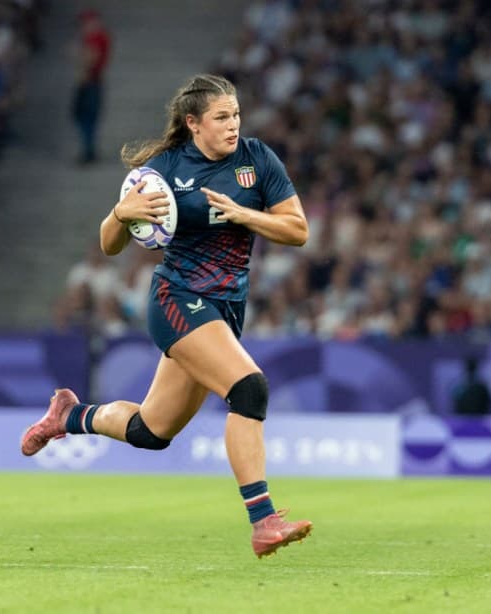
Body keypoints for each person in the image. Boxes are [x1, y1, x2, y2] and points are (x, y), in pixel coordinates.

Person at [22, 74, 312, 558]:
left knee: (151, 431)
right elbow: (108, 244)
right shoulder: (164, 171)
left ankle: (70, 416)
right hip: (177, 300)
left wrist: (246, 216)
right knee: (248, 388)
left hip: (224, 308)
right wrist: (120, 213)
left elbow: (297, 229)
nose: (233, 124)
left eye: (236, 114)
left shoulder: (258, 159)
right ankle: (264, 522)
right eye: (222, 117)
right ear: (193, 123)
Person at [70, 9, 111, 164]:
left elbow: (91, 59)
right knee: (86, 118)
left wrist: (78, 54)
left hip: (90, 82)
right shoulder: (99, 37)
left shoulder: (95, 38)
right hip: (93, 81)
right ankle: (89, 149)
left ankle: (88, 150)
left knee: (86, 117)